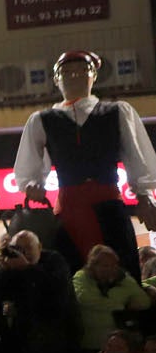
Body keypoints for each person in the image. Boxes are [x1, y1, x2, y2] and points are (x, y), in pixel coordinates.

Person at [14, 50, 156, 279]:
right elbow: (27, 166)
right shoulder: (42, 119)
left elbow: (137, 155)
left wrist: (144, 195)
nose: (74, 76)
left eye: (83, 70)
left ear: (94, 76)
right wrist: (31, 184)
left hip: (109, 205)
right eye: (66, 72)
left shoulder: (118, 111)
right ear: (56, 79)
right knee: (71, 273)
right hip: (68, 212)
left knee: (121, 274)